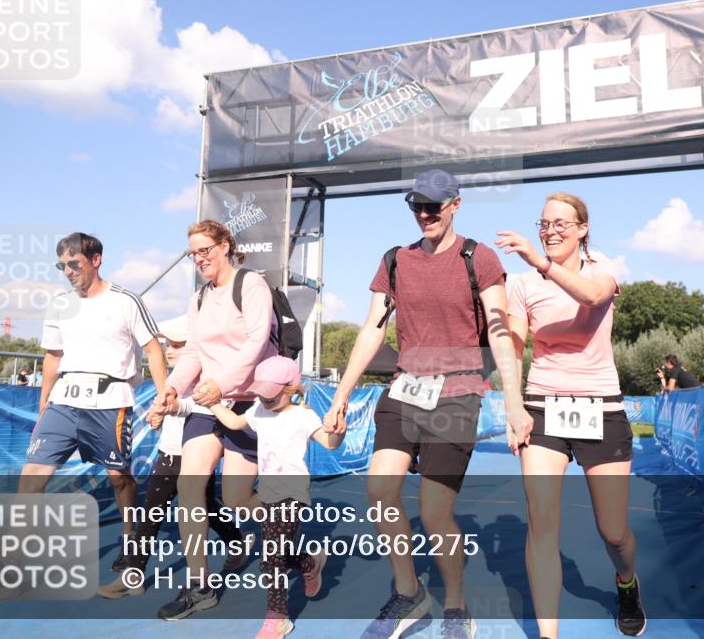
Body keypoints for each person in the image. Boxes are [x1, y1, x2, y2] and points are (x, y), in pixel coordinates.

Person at [326, 169, 532, 639]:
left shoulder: (477, 257)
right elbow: (372, 329)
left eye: (433, 207)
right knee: (380, 491)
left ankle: (456, 605)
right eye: (416, 206)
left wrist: (514, 402)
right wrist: (341, 395)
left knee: (436, 513)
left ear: (455, 205)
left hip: (458, 395)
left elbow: (500, 331)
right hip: (404, 390)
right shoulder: (394, 261)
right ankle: (409, 592)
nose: (424, 215)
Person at [0, 232, 169, 601]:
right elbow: (53, 356)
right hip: (63, 403)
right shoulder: (60, 304)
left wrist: (163, 397)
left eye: (74, 263)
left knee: (120, 480)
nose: (68, 271)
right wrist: (43, 406)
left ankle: (132, 553)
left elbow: (153, 349)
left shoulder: (126, 300)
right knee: (30, 479)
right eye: (62, 265)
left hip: (110, 400)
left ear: (96, 259)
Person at [497, 192, 647, 638]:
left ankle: (627, 583)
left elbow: (589, 297)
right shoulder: (522, 285)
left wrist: (542, 263)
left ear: (582, 228)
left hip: (600, 407)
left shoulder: (603, 269)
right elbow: (514, 345)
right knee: (541, 524)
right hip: (544, 405)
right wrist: (513, 404)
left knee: (614, 532)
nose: (550, 230)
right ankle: (549, 634)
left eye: (561, 222)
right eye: (544, 223)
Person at [153, 219, 276, 620]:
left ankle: (287, 541)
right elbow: (192, 352)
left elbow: (257, 342)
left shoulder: (251, 285)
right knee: (190, 491)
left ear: (225, 245)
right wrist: (171, 389)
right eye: (193, 253)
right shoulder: (199, 298)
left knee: (237, 498)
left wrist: (221, 383)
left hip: (246, 402)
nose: (200, 258)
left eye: (205, 249)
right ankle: (199, 586)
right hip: (207, 402)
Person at [97, 316, 253, 599]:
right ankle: (237, 542)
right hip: (172, 451)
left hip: (192, 452)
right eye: (168, 344)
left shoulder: (209, 378)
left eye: (178, 345)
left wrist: (172, 408)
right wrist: (160, 416)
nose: (169, 350)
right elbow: (173, 407)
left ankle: (133, 574)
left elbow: (202, 407)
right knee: (202, 506)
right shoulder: (175, 379)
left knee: (153, 512)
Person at [209, 355, 343, 639]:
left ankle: (277, 617)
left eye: (272, 394)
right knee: (278, 555)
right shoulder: (258, 410)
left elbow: (329, 444)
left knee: (270, 561)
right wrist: (212, 404)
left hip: (292, 495)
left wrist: (338, 432)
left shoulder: (303, 416)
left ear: (292, 389)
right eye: (262, 392)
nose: (266, 399)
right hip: (268, 495)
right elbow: (233, 422)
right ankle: (309, 563)